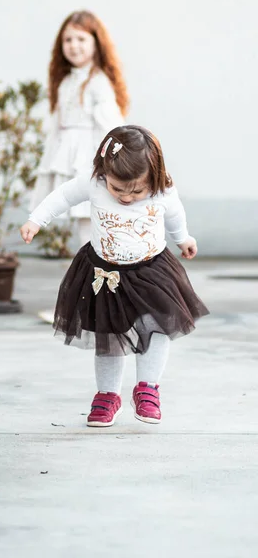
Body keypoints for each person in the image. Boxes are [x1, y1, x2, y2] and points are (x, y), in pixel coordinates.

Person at [21, 125, 209, 427]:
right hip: (104, 273)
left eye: (136, 190)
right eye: (118, 188)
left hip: (151, 271)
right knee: (108, 335)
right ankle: (108, 395)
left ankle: (147, 388)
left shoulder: (163, 188)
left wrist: (183, 238)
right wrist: (36, 220)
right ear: (104, 172)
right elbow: (63, 196)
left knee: (156, 327)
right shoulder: (94, 183)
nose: (126, 196)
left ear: (155, 176)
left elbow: (174, 214)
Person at [31, 10, 129, 323]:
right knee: (87, 240)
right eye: (68, 40)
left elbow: (113, 127)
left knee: (93, 239)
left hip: (89, 166)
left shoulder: (98, 83)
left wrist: (115, 166)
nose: (73, 46)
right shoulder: (66, 82)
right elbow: (56, 127)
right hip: (69, 163)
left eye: (81, 39)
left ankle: (93, 307)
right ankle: (88, 305)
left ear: (96, 43)